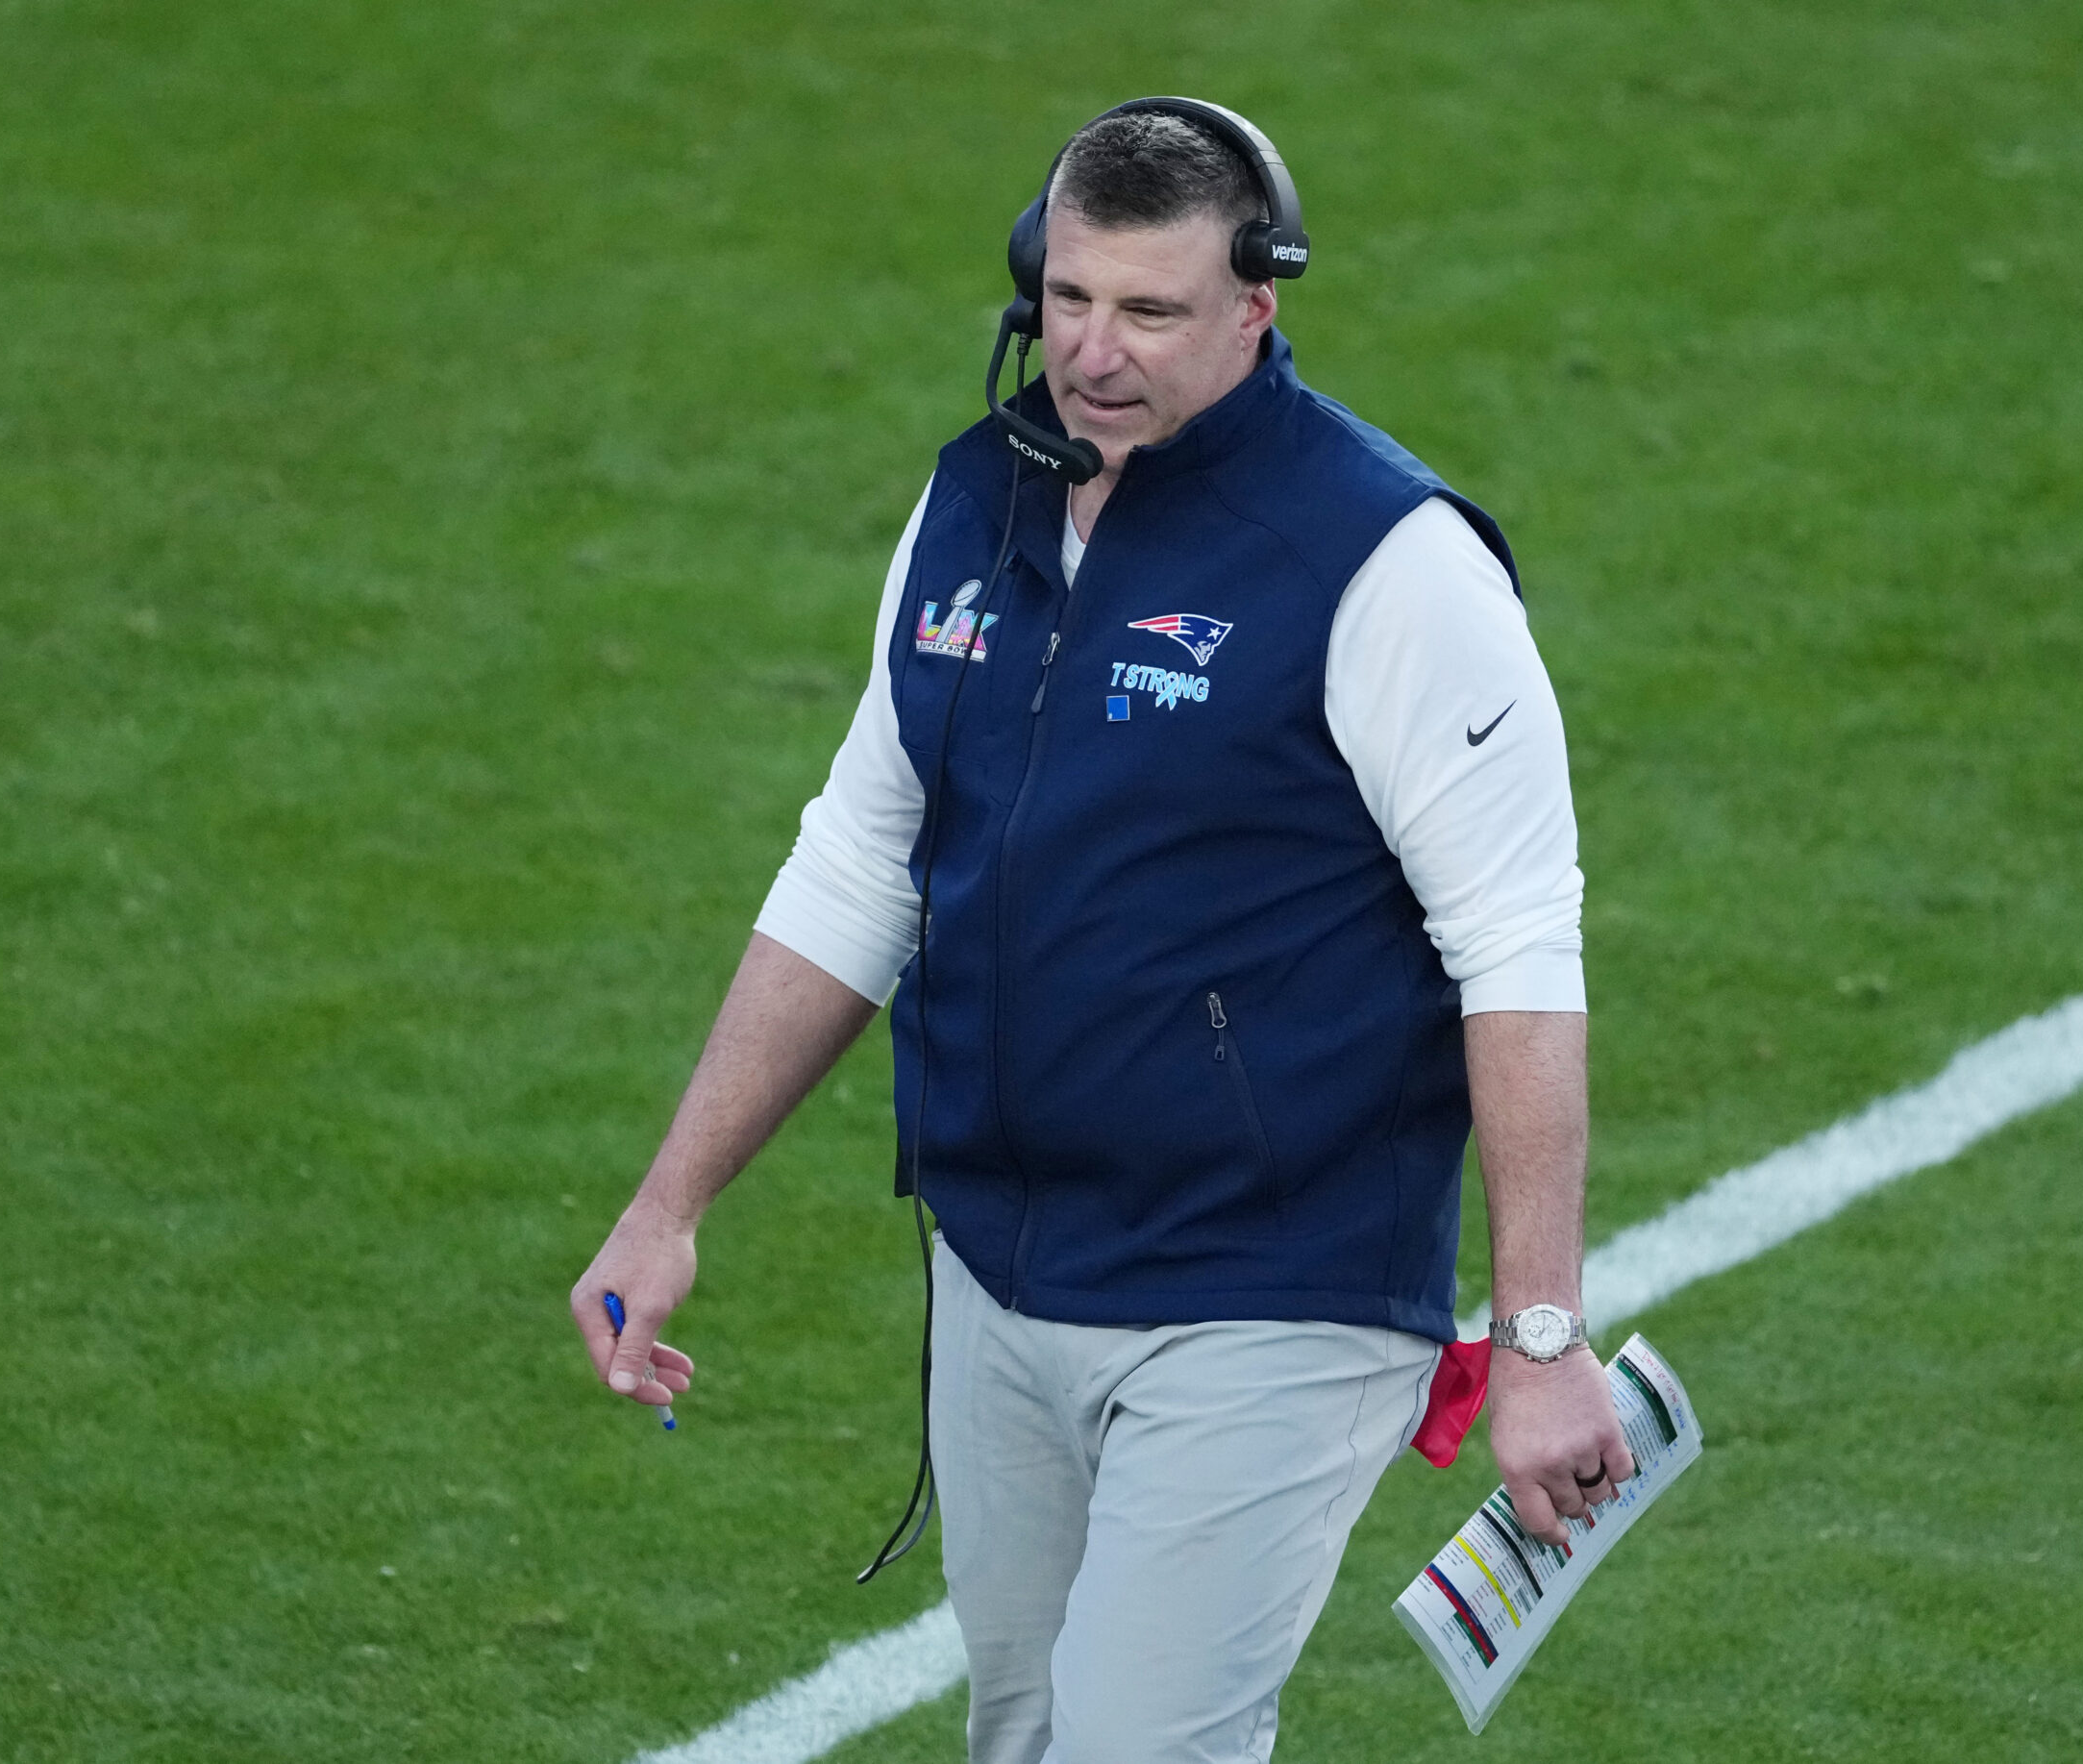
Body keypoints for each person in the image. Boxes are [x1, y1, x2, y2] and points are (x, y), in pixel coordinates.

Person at [573, 99, 1634, 1763]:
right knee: (1024, 1736)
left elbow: (1517, 952)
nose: (1092, 350)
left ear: (1256, 305)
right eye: (1068, 297)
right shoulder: (976, 504)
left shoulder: (1387, 564)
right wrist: (667, 1203)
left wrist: (1542, 1336)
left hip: (1270, 1285)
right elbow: (861, 861)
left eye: (1150, 310)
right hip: (1001, 1267)